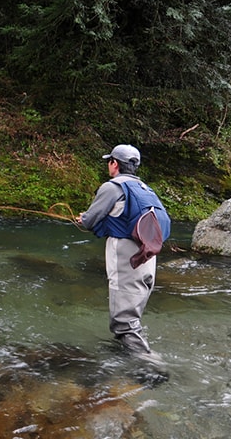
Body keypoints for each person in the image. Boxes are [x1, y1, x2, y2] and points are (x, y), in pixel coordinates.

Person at [76, 144, 170, 354]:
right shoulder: (145, 189)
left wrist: (82, 219)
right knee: (131, 317)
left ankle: (148, 365)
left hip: (126, 257)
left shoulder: (112, 187)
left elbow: (90, 221)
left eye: (109, 161)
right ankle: (126, 355)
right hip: (147, 259)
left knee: (124, 322)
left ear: (114, 163)